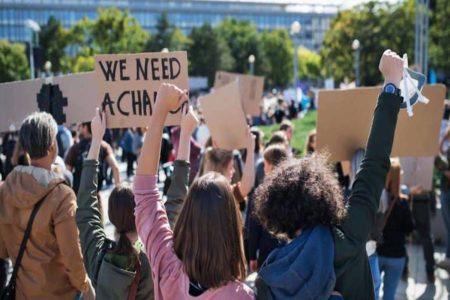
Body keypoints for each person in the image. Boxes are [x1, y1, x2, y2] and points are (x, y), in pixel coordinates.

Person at [253, 50, 405, 300]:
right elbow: (374, 163)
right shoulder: (350, 235)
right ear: (324, 194)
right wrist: (391, 84)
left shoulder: (271, 271)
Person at [134, 83, 254, 299]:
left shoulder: (166, 266)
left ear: (187, 217)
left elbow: (145, 191)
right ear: (232, 226)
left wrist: (161, 107)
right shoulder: (240, 296)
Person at [0, 112, 92, 299]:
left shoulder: (5, 189)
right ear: (53, 145)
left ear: (25, 147)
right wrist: (86, 288)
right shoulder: (62, 196)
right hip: (59, 293)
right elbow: (73, 259)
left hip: (22, 292)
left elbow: (2, 249)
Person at [376, 160, 414, 300]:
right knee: (390, 294)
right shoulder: (403, 203)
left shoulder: (378, 200)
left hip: (378, 253)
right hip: (397, 255)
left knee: (372, 291)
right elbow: (410, 228)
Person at [247, 144, 288, 273]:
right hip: (290, 250)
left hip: (267, 253)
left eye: (265, 164)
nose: (264, 168)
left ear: (271, 165)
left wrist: (252, 255)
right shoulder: (294, 192)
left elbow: (253, 227)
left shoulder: (260, 193)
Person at [65, 121, 120, 193]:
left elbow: (67, 173)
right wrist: (118, 192)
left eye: (80, 126)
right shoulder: (103, 146)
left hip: (79, 195)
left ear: (85, 128)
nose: (79, 129)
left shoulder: (75, 148)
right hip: (96, 193)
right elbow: (115, 167)